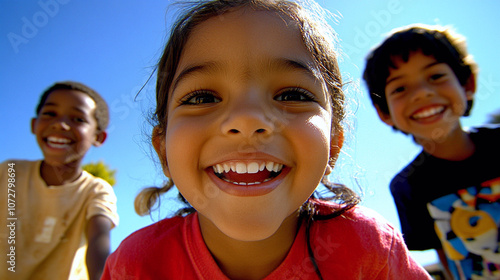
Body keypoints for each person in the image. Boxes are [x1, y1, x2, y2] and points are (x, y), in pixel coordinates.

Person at [103, 1, 431, 279]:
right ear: (164, 153)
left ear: (333, 145)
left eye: (291, 94)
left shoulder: (371, 247)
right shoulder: (135, 265)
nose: (248, 119)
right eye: (202, 98)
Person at [363, 24, 500, 279]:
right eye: (400, 88)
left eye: (436, 76)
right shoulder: (407, 187)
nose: (422, 93)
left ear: (467, 83)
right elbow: (446, 254)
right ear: (384, 113)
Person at [0, 81, 119, 279]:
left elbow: (99, 245)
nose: (60, 124)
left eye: (77, 119)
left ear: (98, 137)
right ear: (34, 124)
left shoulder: (96, 191)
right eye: (50, 114)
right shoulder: (10, 172)